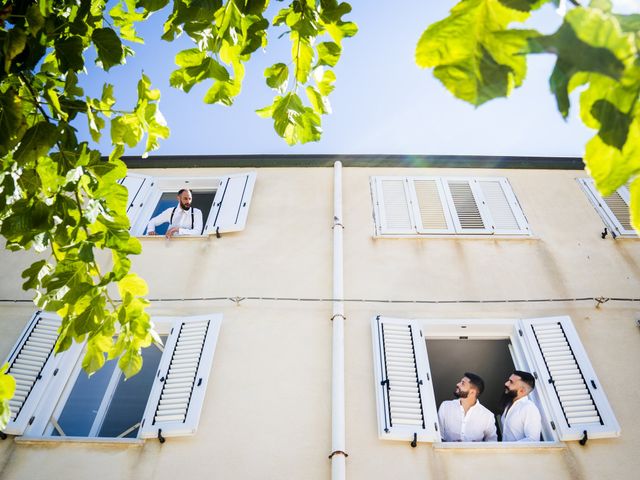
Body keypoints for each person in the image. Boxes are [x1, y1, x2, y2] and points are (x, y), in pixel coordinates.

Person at [437, 372, 497, 442]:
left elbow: (492, 443)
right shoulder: (445, 406)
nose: (457, 384)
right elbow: (438, 436)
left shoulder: (488, 416)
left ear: (472, 392)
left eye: (462, 383)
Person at [500, 370, 542, 442]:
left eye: (511, 382)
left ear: (522, 391)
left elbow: (533, 440)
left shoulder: (529, 408)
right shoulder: (508, 405)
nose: (506, 383)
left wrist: (509, 449)